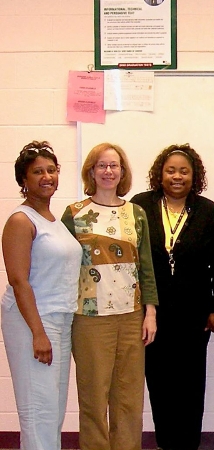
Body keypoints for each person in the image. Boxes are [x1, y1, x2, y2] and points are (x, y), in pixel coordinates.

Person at [61, 142, 158, 450]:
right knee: (93, 398)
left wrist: (150, 313)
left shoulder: (136, 213)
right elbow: (63, 267)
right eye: (101, 165)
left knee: (129, 399)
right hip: (90, 319)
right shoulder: (75, 214)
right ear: (91, 171)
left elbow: (146, 267)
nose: (108, 171)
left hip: (130, 317)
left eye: (114, 165)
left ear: (122, 172)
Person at [130, 144, 214, 450]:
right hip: (152, 314)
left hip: (193, 315)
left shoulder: (209, 211)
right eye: (171, 170)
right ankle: (166, 443)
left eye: (184, 170)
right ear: (160, 173)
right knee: (159, 385)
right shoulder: (140, 205)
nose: (177, 176)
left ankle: (188, 445)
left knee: (191, 387)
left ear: (194, 175)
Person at [1, 142, 82, 450]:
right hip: (33, 322)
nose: (46, 176)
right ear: (24, 180)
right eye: (37, 172)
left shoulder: (53, 221)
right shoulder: (21, 221)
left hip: (58, 321)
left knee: (53, 411)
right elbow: (19, 281)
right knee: (38, 413)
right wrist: (38, 333)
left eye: (51, 170)